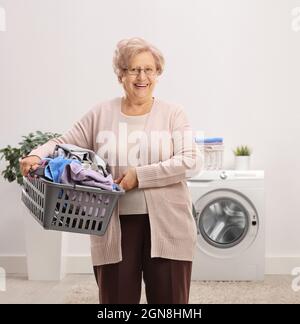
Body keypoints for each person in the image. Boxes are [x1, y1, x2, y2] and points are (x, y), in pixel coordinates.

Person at [19, 37, 202, 304]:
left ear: (158, 73)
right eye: (133, 69)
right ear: (121, 74)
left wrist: (139, 176)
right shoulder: (102, 113)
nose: (142, 77)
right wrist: (36, 155)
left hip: (169, 225)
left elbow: (191, 161)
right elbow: (61, 143)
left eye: (149, 69)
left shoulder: (173, 113)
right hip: (111, 225)